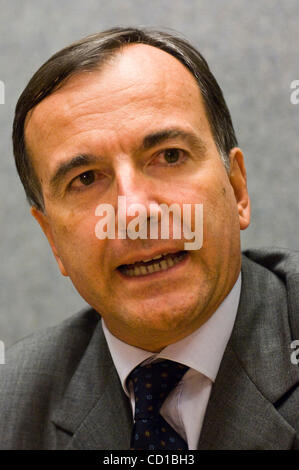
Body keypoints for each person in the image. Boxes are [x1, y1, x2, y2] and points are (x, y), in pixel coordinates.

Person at [0, 27, 298, 450]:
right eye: (86, 179)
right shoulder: (11, 406)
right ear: (52, 238)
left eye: (170, 156)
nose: (134, 213)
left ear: (237, 190)